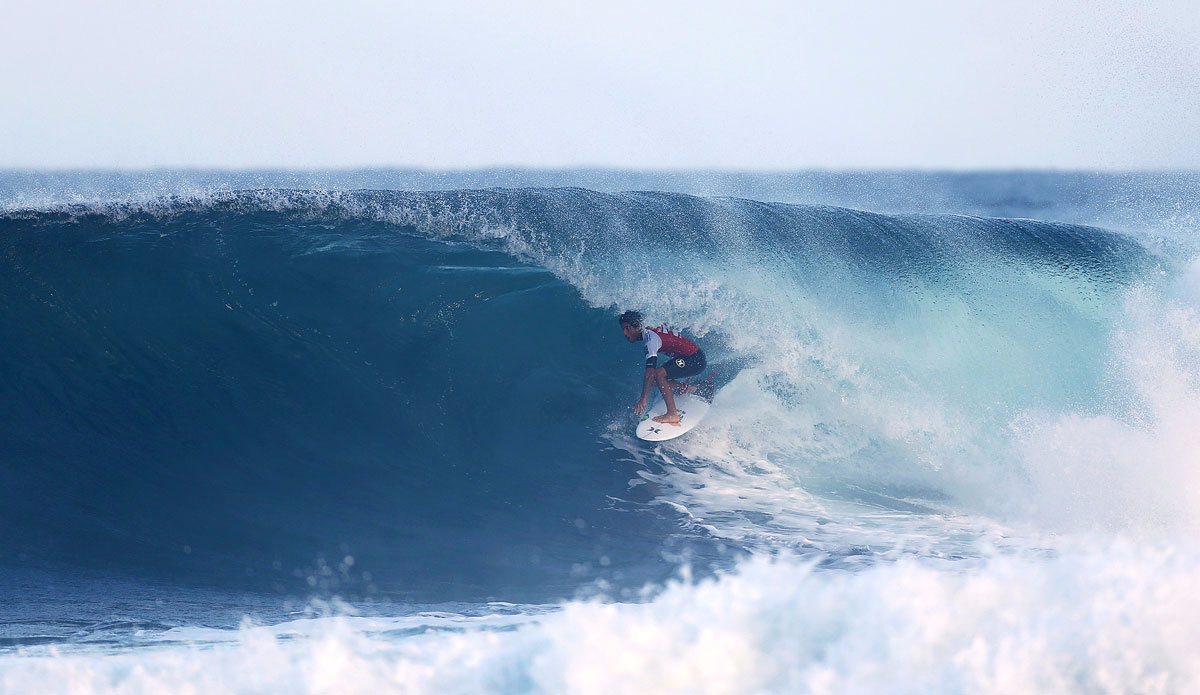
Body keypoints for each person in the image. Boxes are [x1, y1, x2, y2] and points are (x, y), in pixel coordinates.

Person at [619, 310, 706, 425]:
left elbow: (650, 372)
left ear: (636, 326)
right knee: (654, 381)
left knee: (658, 374)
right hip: (691, 357)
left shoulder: (650, 338)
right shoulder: (650, 326)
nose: (625, 333)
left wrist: (643, 399)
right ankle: (689, 389)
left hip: (695, 360)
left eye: (627, 328)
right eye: (623, 329)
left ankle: (672, 414)